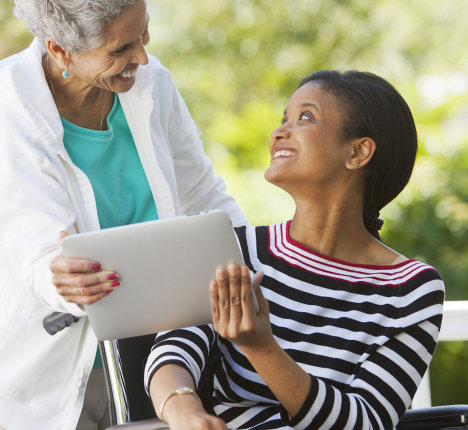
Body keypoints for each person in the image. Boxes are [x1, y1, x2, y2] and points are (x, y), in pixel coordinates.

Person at [145, 70, 445, 430]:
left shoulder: (411, 290)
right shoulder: (232, 247)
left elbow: (365, 423)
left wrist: (261, 348)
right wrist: (184, 411)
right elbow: (173, 351)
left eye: (305, 117)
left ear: (357, 151)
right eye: (283, 119)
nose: (279, 132)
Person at [0, 0, 247, 429]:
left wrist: (252, 271)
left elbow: (205, 196)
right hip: (62, 364)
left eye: (143, 34)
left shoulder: (155, 86)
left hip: (167, 354)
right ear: (60, 51)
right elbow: (33, 248)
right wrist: (62, 280)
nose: (143, 57)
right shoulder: (8, 108)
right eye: (119, 50)